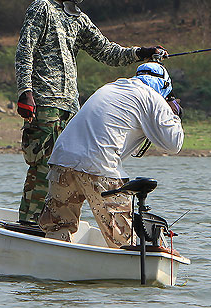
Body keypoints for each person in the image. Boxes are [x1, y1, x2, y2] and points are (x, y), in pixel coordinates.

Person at [15, 0, 166, 223]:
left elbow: (107, 51)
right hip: (44, 103)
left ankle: (49, 224)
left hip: (70, 108)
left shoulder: (79, 19)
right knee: (41, 166)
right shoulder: (42, 8)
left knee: (61, 168)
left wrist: (142, 52)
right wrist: (25, 91)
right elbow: (25, 49)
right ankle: (29, 224)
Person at [39, 62, 184, 247]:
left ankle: (56, 264)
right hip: (99, 164)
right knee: (123, 239)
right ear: (164, 86)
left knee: (58, 227)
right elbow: (174, 144)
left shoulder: (111, 87)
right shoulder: (153, 97)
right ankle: (126, 272)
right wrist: (174, 113)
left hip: (62, 159)